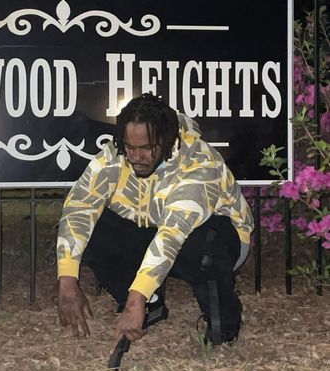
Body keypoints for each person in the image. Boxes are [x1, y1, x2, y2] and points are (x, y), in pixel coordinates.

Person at [56, 93, 253, 349]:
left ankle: (223, 320)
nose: (136, 156)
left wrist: (136, 298)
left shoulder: (199, 163)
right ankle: (151, 303)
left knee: (203, 243)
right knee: (95, 227)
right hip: (152, 229)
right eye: (129, 147)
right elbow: (79, 207)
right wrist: (67, 280)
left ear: (166, 140)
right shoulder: (115, 155)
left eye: (146, 148)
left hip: (216, 238)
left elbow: (172, 235)